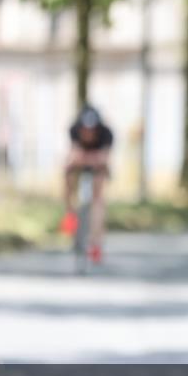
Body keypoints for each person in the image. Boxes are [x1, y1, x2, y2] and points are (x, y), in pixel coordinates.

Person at [59, 105, 113, 263]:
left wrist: (87, 158)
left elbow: (104, 159)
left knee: (98, 197)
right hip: (82, 162)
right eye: (85, 130)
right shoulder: (74, 131)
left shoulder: (106, 134)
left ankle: (96, 242)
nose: (88, 134)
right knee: (67, 178)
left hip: (97, 166)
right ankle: (69, 214)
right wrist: (83, 159)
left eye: (92, 130)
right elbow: (73, 156)